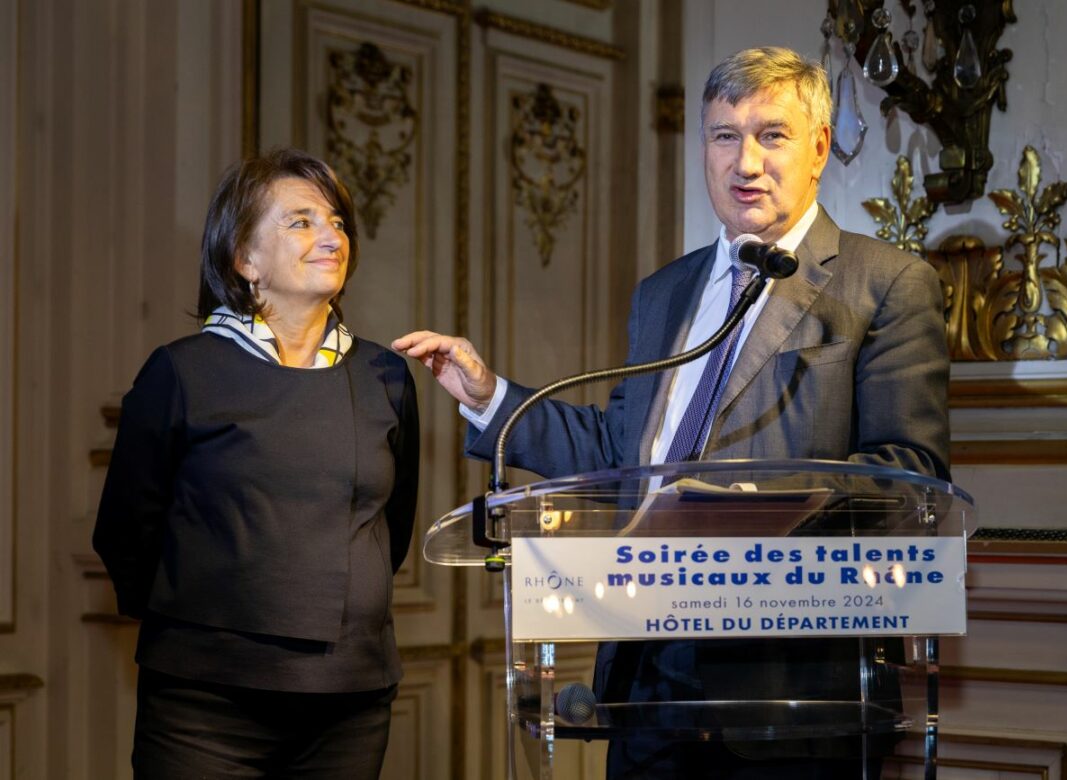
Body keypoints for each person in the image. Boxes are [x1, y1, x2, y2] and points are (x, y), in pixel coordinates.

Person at [396, 47, 949, 778]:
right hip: (645, 681)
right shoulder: (665, 292)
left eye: (771, 135)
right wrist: (491, 396)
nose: (745, 161)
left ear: (819, 147)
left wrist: (738, 506)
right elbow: (621, 452)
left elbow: (907, 475)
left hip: (787, 689)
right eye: (725, 136)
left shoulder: (887, 284)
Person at [93, 148, 419, 779]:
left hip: (350, 698)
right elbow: (126, 532)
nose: (331, 236)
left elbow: (392, 528)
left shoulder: (385, 376)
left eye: (337, 222)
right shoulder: (182, 372)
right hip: (205, 701)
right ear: (244, 259)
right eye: (301, 222)